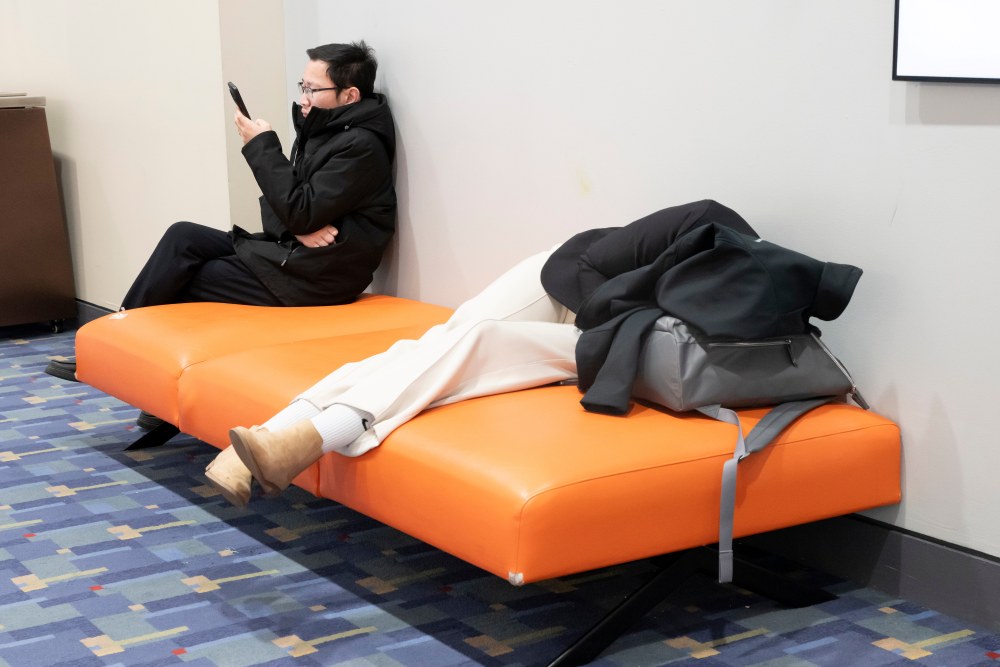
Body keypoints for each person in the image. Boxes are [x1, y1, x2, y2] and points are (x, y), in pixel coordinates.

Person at [205, 200, 761, 507]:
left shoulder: (750, 301)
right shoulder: (700, 223)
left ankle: (300, 441)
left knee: (477, 343)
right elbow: (588, 267)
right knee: (436, 341)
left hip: (618, 333)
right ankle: (277, 435)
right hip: (571, 279)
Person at [47, 41, 398, 420]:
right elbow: (286, 212)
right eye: (302, 85)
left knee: (188, 275)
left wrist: (262, 147)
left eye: (313, 89)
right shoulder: (322, 130)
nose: (304, 97)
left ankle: (132, 375)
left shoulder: (360, 146)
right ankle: (116, 353)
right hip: (294, 252)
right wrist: (300, 227)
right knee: (183, 236)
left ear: (350, 94)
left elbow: (294, 208)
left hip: (320, 275)